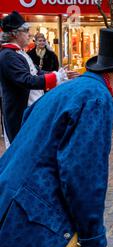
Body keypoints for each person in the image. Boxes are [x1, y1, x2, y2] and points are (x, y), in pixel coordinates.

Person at [0, 28, 113, 247]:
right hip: (40, 220)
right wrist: (95, 242)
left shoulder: (72, 87)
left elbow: (26, 122)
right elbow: (83, 174)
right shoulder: (97, 98)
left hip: (15, 204)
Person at [0, 11, 76, 148]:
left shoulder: (19, 53)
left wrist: (61, 76)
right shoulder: (8, 55)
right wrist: (56, 77)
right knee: (22, 153)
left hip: (30, 112)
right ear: (15, 34)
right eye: (26, 31)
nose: (29, 34)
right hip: (20, 115)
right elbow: (27, 80)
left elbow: (37, 72)